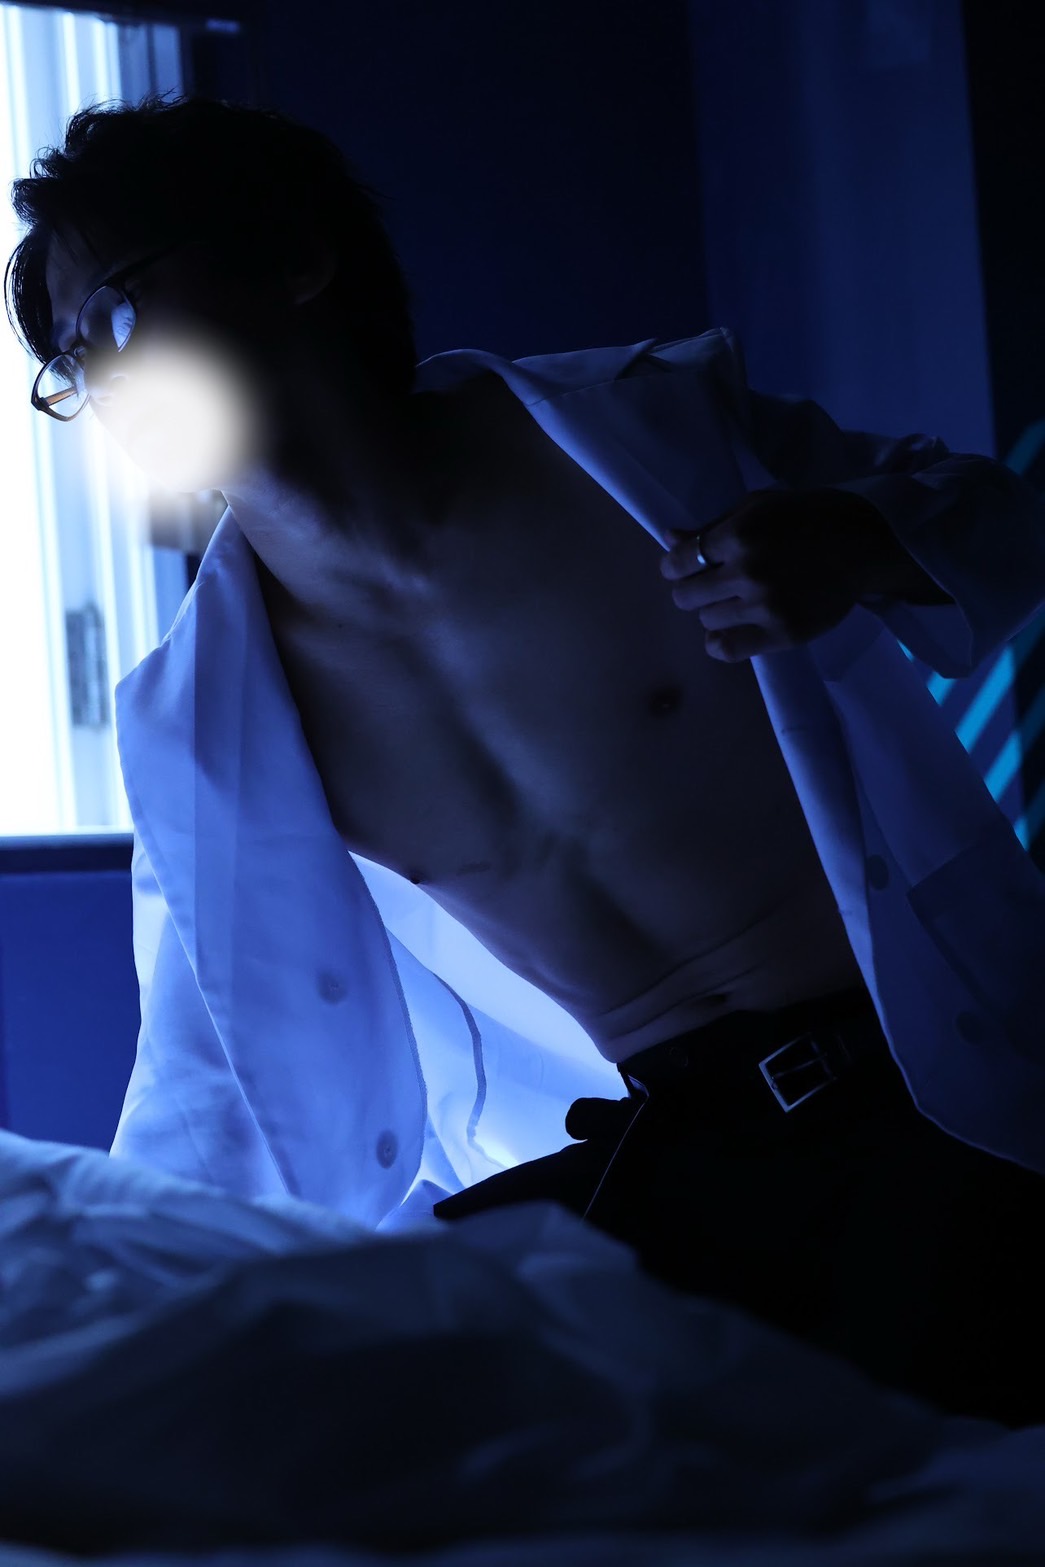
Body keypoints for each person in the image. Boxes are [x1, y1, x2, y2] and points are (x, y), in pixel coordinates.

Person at [8, 93, 1045, 1425]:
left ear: (293, 260)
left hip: (923, 1087)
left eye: (117, 313)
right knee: (389, 1418)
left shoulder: (652, 436)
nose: (104, 383)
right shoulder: (202, 720)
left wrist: (859, 541)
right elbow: (204, 1084)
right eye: (71, 367)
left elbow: (1003, 518)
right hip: (672, 1149)